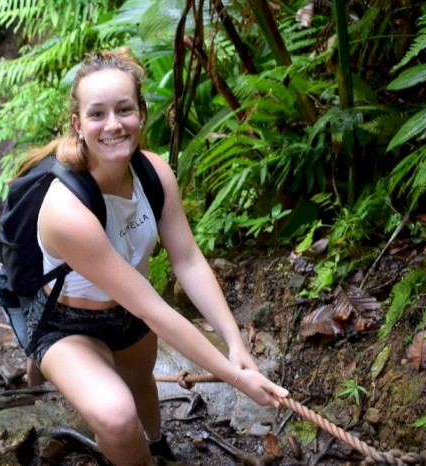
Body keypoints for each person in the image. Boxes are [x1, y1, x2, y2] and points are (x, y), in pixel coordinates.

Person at [18, 47, 289, 465]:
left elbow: (188, 260)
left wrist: (235, 343)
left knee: (142, 383)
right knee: (116, 416)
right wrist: (235, 378)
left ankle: (159, 444)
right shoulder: (67, 210)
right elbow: (151, 306)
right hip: (67, 323)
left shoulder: (154, 172)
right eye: (97, 114)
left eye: (124, 110)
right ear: (77, 124)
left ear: (142, 113)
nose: (113, 125)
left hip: (129, 316)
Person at [0, 266, 45, 386]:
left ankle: (36, 388)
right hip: (14, 293)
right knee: (32, 348)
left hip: (17, 289)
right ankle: (36, 389)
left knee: (32, 348)